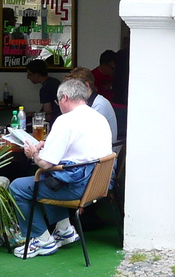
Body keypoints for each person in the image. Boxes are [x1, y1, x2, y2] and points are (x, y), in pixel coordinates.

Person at [9, 79, 112, 258]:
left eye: (58, 101)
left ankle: (42, 239)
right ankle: (64, 230)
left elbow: (45, 163)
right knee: (50, 179)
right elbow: (81, 148)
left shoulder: (65, 120)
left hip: (77, 187)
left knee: (18, 187)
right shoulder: (98, 117)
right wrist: (47, 144)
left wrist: (33, 153)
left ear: (64, 97)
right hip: (97, 184)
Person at [68, 67, 119, 143]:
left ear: (87, 85)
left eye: (75, 87)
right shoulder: (90, 101)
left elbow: (88, 135)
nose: (72, 92)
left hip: (103, 152)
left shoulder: (99, 105)